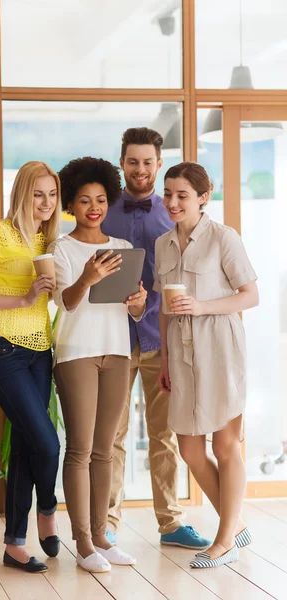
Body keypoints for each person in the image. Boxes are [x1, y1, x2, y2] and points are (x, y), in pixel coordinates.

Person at [102, 127, 211, 549]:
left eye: (148, 162)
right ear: (122, 162)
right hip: (112, 335)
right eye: (133, 161)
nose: (140, 169)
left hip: (161, 338)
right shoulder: (102, 210)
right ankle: (107, 524)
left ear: (158, 164)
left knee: (164, 435)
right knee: (111, 435)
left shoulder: (174, 210)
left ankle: (169, 523)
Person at [155, 161, 259, 568]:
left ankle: (223, 540)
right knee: (190, 449)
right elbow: (165, 308)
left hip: (221, 347)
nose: (173, 202)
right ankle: (234, 526)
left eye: (182, 195)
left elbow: (250, 295)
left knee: (225, 444)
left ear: (203, 197)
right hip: (180, 355)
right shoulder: (164, 245)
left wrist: (201, 307)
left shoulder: (223, 237)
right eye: (168, 194)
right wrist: (164, 358)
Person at [0, 161, 62, 573]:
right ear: (22, 193)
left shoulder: (48, 240)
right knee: (48, 442)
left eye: (52, 195)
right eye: (38, 194)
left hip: (40, 351)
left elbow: (52, 298)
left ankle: (15, 544)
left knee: (24, 444)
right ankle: (49, 512)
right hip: (0, 349)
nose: (46, 202)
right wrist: (23, 299)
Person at [49, 157, 147, 573]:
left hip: (118, 352)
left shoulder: (123, 249)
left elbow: (134, 311)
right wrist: (87, 278)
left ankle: (103, 536)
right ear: (70, 203)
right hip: (76, 354)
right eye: (85, 200)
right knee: (81, 450)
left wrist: (139, 304)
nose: (94, 207)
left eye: (102, 199)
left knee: (105, 451)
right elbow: (65, 303)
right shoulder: (62, 248)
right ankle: (84, 543)